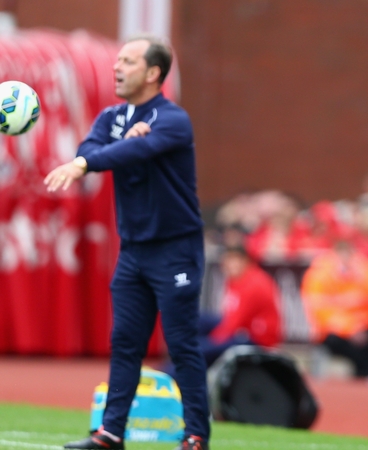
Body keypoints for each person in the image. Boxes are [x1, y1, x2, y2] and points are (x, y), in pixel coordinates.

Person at [45, 36, 210, 450]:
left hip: (175, 250)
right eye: (116, 60)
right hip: (133, 251)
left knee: (182, 344)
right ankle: (110, 433)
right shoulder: (112, 116)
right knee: (124, 342)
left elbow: (114, 156)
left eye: (128, 62)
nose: (116, 68)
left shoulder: (173, 119)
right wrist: (113, 147)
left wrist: (99, 157)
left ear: (153, 73)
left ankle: (195, 436)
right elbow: (92, 148)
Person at [300, 236, 368, 378]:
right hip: (337, 331)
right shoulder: (319, 274)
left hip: (366, 326)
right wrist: (350, 329)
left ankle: (367, 370)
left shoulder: (367, 270)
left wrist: (361, 323)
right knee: (333, 339)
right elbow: (319, 311)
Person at [201, 245, 282, 368]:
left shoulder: (253, 284)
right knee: (199, 320)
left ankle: (172, 375)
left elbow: (234, 324)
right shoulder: (237, 279)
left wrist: (211, 342)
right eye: (227, 260)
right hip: (245, 329)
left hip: (257, 339)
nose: (228, 265)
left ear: (245, 261)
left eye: (233, 260)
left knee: (201, 350)